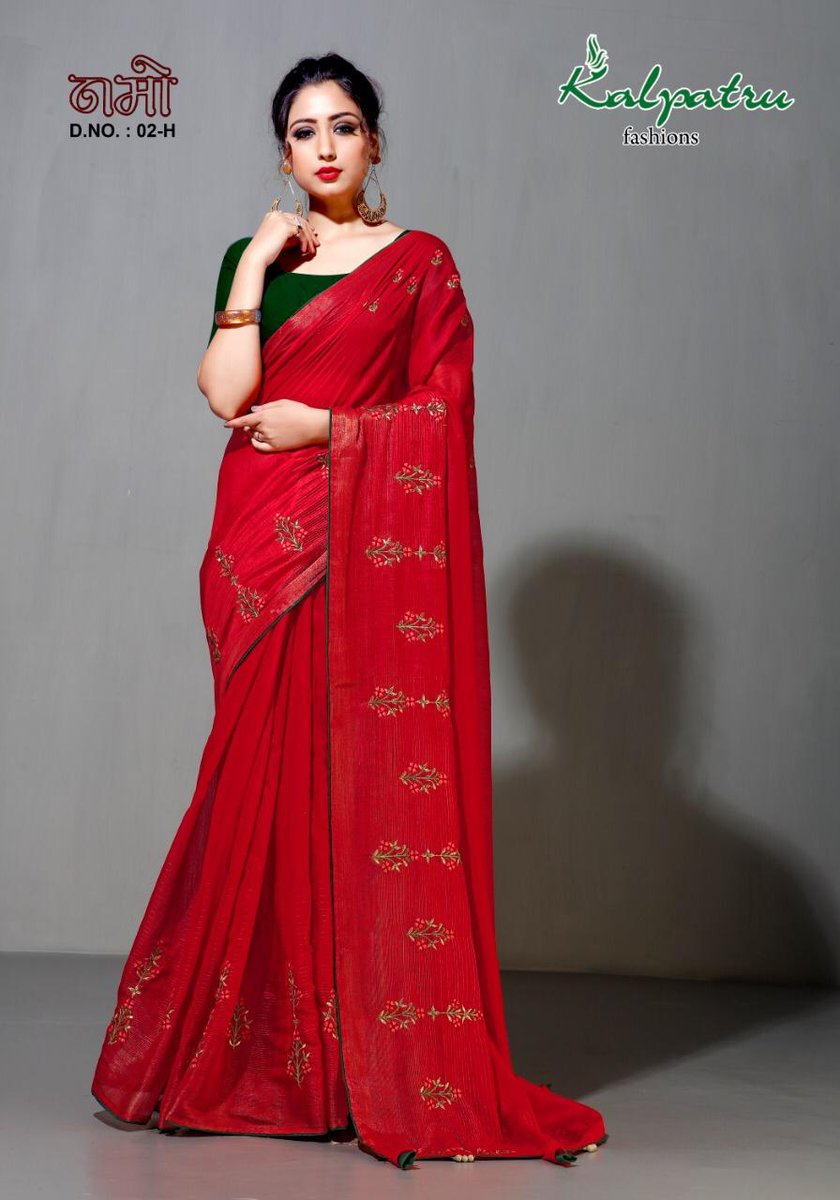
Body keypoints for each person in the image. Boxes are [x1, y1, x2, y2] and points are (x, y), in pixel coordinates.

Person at [90, 52, 609, 1171]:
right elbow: (226, 395)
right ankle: (252, 1063)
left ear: (375, 141)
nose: (324, 147)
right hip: (258, 548)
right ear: (282, 152)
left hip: (353, 539)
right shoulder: (256, 259)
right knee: (255, 787)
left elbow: (442, 410)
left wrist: (328, 429)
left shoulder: (420, 265)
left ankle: (353, 1070)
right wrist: (255, 264)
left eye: (343, 126)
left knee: (347, 785)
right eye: (302, 131)